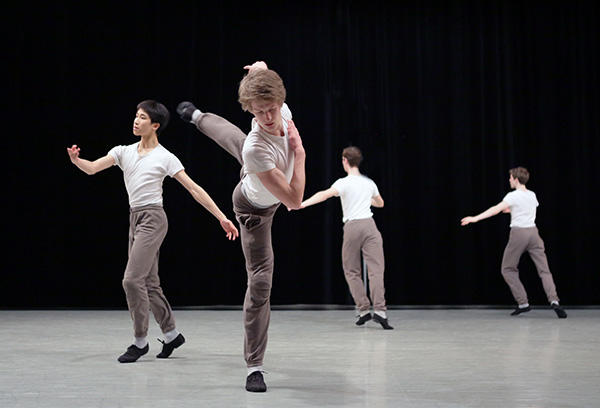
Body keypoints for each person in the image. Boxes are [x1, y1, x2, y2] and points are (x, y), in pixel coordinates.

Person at [66, 100, 239, 363]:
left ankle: (140, 341)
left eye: (142, 117)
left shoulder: (165, 157)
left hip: (153, 219)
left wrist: (222, 217)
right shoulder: (123, 151)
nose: (136, 120)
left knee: (131, 280)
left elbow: (193, 189)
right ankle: (171, 334)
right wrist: (77, 160)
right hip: (135, 218)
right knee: (149, 282)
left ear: (155, 125)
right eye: (136, 115)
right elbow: (92, 168)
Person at [177, 61, 305, 392]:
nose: (267, 117)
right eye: (258, 111)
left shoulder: (282, 112)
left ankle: (196, 116)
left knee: (233, 136)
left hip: (264, 179)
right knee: (261, 282)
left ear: (280, 102)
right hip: (253, 208)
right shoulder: (257, 146)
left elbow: (265, 78)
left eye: (272, 109)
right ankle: (254, 366)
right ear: (251, 108)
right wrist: (299, 154)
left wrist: (257, 71)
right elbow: (293, 201)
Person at [298, 146, 393, 330]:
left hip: (352, 227)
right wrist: (366, 200)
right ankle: (380, 312)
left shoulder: (343, 182)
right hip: (370, 226)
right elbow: (380, 203)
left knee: (351, 270)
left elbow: (324, 194)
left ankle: (364, 309)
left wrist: (302, 204)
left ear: (345, 161)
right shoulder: (369, 183)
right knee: (376, 270)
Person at [461, 166, 567, 318]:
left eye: (510, 178)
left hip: (519, 234)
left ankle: (523, 303)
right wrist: (511, 210)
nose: (509, 180)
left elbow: (495, 209)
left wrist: (475, 218)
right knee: (544, 270)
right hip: (534, 234)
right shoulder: (532, 195)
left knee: (508, 269)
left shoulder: (513, 196)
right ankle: (554, 301)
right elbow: (527, 209)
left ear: (516, 180)